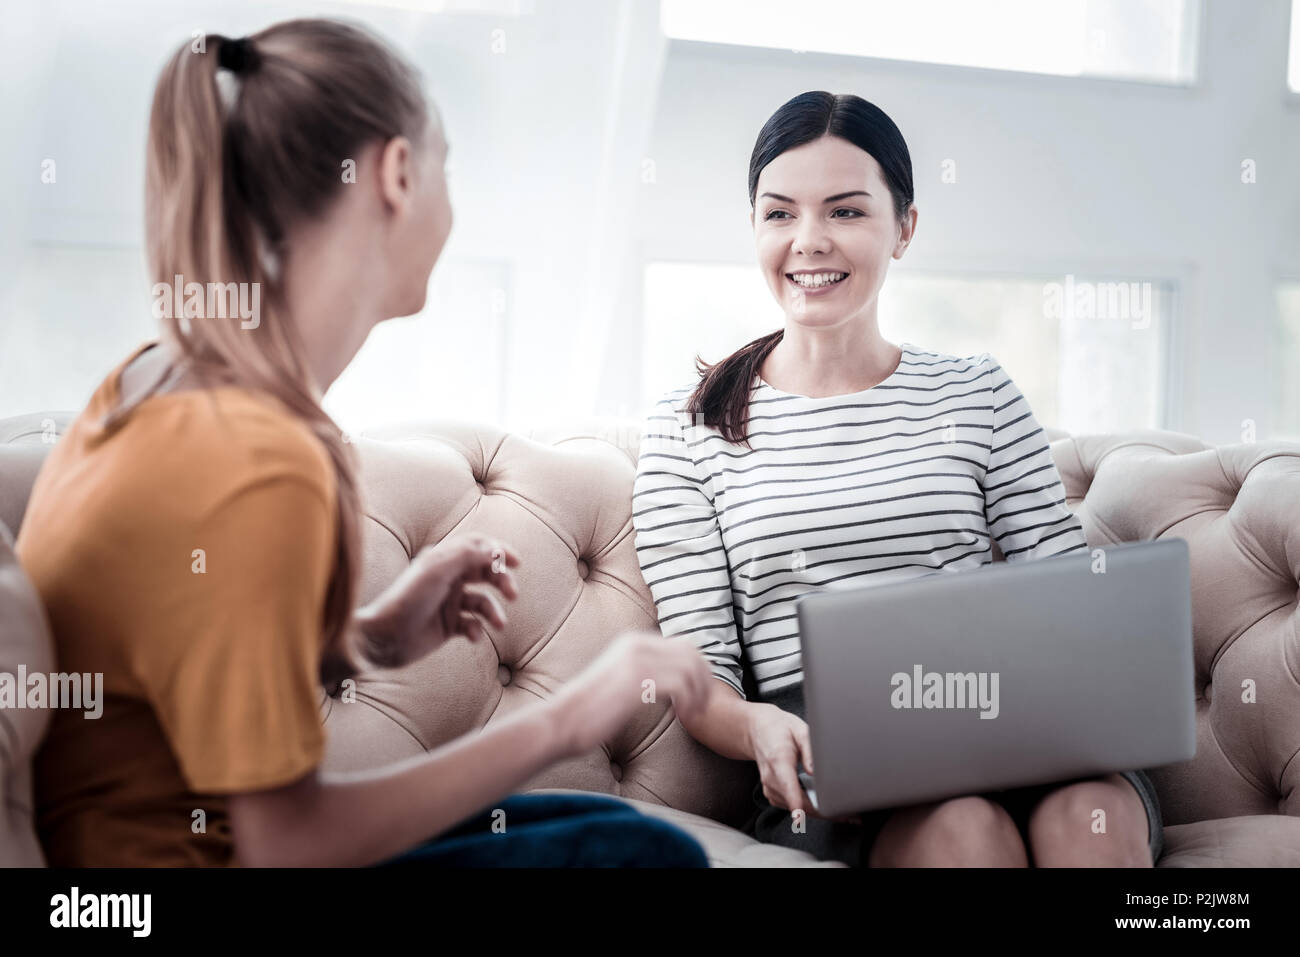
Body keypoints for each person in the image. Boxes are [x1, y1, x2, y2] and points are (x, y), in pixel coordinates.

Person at [16, 18, 712, 868]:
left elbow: (178, 661)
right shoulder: (262, 460)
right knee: (638, 856)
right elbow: (287, 843)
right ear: (397, 173)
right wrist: (572, 712)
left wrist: (371, 639)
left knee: (607, 829)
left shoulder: (152, 380)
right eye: (444, 164)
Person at [632, 90, 1162, 868]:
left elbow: (1066, 597)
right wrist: (758, 728)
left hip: (1014, 723)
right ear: (755, 228)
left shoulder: (977, 392)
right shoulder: (691, 427)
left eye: (846, 212)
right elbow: (700, 665)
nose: (808, 241)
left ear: (904, 228)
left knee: (1093, 817)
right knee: (965, 832)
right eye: (779, 214)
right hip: (838, 761)